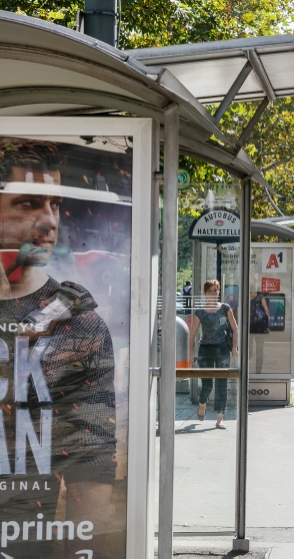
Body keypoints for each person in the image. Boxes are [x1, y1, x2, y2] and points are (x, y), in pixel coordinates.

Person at [0, 138, 118, 556]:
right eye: (29, 203)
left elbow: (93, 457)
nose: (49, 221)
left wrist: (86, 549)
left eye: (54, 203)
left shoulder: (79, 323)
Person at [189, 279, 239, 429]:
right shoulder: (200, 312)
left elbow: (235, 329)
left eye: (216, 290)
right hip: (205, 350)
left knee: (222, 384)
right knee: (207, 385)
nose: (213, 293)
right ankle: (202, 405)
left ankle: (219, 419)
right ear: (205, 293)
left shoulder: (225, 308)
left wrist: (234, 348)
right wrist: (191, 353)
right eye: (210, 291)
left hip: (222, 349)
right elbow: (192, 334)